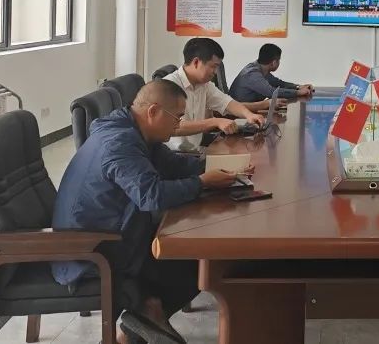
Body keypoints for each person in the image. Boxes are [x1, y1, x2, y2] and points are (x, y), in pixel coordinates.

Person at [51, 80, 254, 344]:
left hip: (118, 229)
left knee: (198, 256)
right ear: (153, 111)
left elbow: (174, 165)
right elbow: (151, 196)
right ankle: (146, 316)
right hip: (92, 249)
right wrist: (203, 182)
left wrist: (223, 167)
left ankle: (141, 322)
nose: (179, 125)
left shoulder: (137, 132)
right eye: (177, 117)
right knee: (198, 260)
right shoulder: (120, 142)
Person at [164, 38, 266, 152]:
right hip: (176, 154)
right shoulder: (169, 85)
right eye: (213, 66)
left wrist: (249, 115)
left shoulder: (204, 85)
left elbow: (226, 102)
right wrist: (215, 122)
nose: (215, 71)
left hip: (196, 150)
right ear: (196, 62)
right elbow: (172, 127)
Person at [229, 43, 314, 103]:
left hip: (249, 110)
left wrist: (298, 87)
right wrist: (298, 93)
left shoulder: (260, 68)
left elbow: (278, 83)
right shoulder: (252, 74)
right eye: (279, 60)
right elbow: (271, 92)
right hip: (237, 115)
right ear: (274, 62)